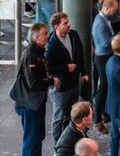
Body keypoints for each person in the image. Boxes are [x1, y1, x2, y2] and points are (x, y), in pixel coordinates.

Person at [15, 23, 56, 156]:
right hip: (29, 105)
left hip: (37, 102)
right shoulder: (31, 56)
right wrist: (51, 81)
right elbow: (33, 82)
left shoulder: (39, 53)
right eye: (45, 33)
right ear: (37, 38)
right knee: (32, 140)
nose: (48, 35)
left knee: (38, 137)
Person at [45, 12, 87, 143]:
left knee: (72, 115)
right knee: (59, 116)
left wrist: (84, 72)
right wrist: (66, 67)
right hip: (61, 87)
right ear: (57, 27)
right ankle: (59, 145)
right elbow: (48, 68)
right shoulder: (51, 45)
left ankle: (70, 141)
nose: (69, 25)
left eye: (68, 22)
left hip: (74, 83)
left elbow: (80, 55)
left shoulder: (73, 35)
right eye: (65, 23)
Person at [91, 0, 117, 134]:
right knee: (103, 87)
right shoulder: (100, 23)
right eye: (114, 9)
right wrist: (119, 37)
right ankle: (97, 120)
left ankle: (105, 113)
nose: (115, 11)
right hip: (102, 58)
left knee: (106, 87)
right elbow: (105, 43)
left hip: (106, 56)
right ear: (107, 8)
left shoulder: (104, 19)